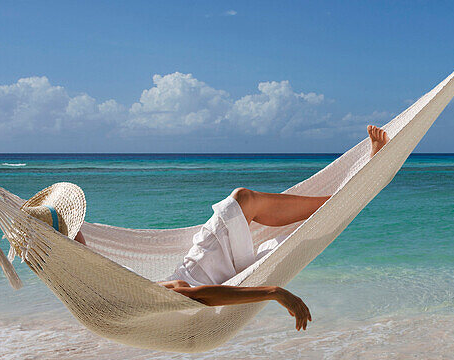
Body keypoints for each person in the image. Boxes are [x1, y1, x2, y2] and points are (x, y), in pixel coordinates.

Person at [152, 125, 389, 331]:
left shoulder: (122, 295)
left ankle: (359, 187)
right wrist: (273, 291)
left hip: (208, 270)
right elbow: (189, 294)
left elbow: (183, 289)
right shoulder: (121, 305)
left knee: (244, 201)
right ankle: (361, 188)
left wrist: (274, 292)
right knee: (298, 239)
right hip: (228, 282)